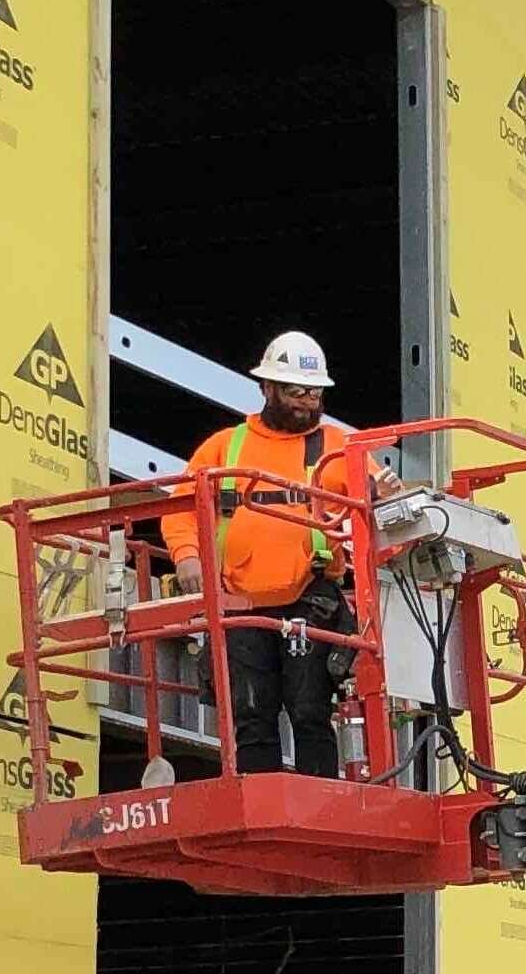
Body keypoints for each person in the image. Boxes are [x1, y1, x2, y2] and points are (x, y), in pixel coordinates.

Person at [159, 330, 389, 778]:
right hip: (241, 602)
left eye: (314, 392)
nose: (306, 401)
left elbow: (383, 497)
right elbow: (179, 509)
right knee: (251, 714)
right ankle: (260, 800)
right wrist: (187, 556)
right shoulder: (225, 446)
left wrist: (388, 492)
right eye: (295, 391)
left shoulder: (338, 446)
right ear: (266, 388)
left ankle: (318, 800)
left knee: (309, 711)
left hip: (310, 598)